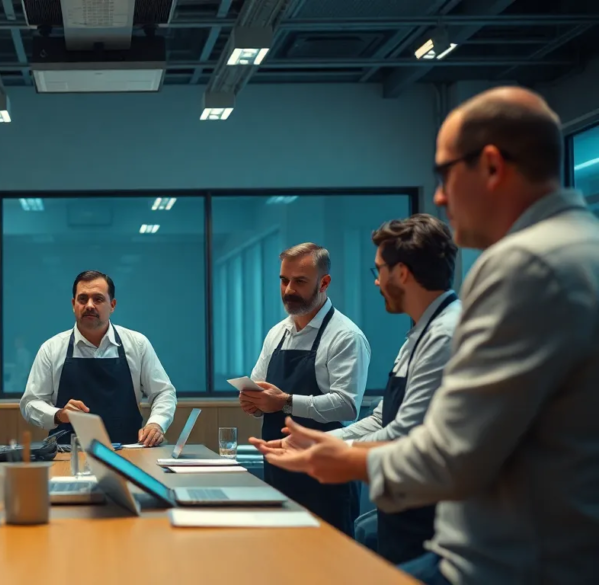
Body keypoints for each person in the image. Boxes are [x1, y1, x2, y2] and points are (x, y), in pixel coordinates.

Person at [253, 87, 599, 585]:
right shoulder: (578, 247)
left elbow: (449, 451)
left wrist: (341, 458)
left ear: (492, 165)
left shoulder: (524, 264)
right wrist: (331, 446)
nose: (438, 196)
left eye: (445, 174)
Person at [266, 216, 460, 563]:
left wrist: (327, 449)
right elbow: (382, 419)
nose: (376, 281)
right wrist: (317, 441)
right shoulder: (418, 335)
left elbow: (402, 433)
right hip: (402, 505)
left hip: (429, 512)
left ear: (402, 273)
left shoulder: (445, 335)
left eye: (379, 270)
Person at [238, 243, 370, 534]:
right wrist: (254, 403)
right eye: (284, 280)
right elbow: (260, 389)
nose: (288, 290)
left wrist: (284, 402)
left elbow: (347, 405)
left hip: (326, 475)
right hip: (278, 471)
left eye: (299, 281)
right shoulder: (277, 333)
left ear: (324, 283)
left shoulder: (345, 336)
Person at [20, 270, 177, 446]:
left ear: (112, 305)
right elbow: (30, 403)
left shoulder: (137, 344)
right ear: (73, 304)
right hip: (67, 453)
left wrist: (156, 423)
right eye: (82, 299)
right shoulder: (51, 349)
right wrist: (58, 414)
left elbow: (163, 392)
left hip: (129, 451)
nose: (89, 305)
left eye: (98, 299)